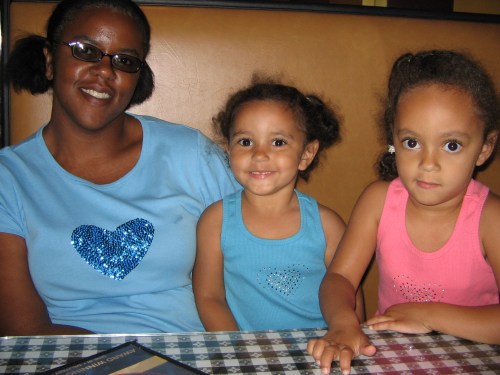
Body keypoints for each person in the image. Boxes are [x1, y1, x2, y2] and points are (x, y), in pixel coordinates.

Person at [0, 0, 239, 335]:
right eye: (86, 50)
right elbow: (23, 331)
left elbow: (265, 242)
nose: (105, 71)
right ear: (50, 61)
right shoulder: (8, 179)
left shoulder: (190, 153)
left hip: (191, 351)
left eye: (125, 60)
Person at [307, 49, 500, 374]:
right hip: (393, 360)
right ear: (393, 138)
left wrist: (428, 315)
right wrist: (343, 322)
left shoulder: (491, 219)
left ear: (484, 148)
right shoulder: (379, 201)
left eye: (451, 145)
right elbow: (339, 277)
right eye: (412, 142)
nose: (427, 163)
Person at [192, 77, 365, 331]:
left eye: (278, 142)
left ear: (306, 154)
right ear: (228, 150)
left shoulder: (327, 225)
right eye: (245, 141)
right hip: (244, 354)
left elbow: (351, 300)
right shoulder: (215, 221)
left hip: (320, 351)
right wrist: (239, 352)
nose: (260, 154)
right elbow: (209, 298)